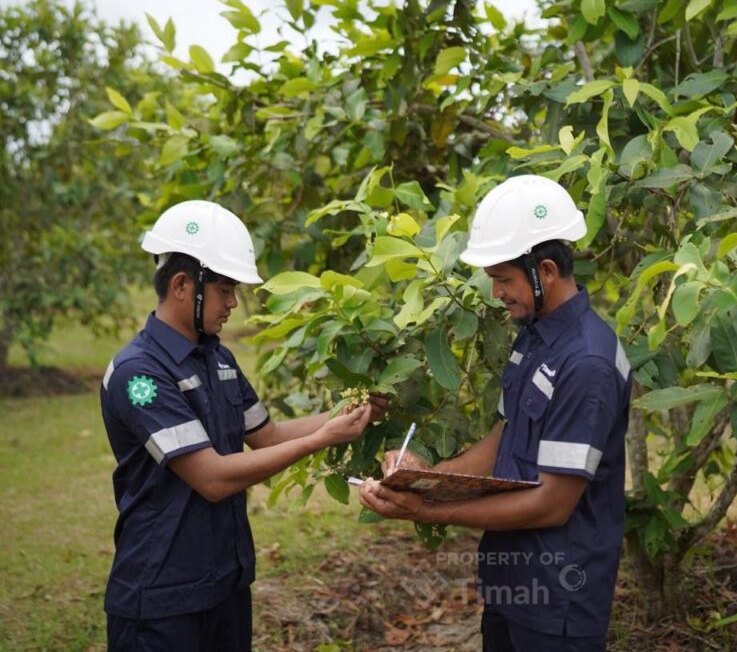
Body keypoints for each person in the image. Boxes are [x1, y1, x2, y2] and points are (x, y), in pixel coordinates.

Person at [359, 175, 632, 650]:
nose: (496, 293)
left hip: (560, 598)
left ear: (546, 270)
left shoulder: (588, 363)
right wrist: (426, 478)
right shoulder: (535, 336)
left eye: (504, 279)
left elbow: (552, 503)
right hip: (513, 580)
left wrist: (428, 510)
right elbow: (504, 438)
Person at [100, 200, 386, 651]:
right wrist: (321, 439)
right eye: (224, 289)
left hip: (225, 583)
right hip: (162, 596)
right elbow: (212, 479)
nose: (233, 302)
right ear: (181, 285)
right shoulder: (140, 375)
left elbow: (267, 437)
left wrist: (351, 412)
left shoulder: (218, 358)